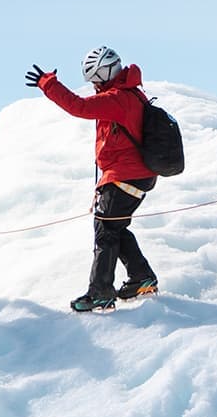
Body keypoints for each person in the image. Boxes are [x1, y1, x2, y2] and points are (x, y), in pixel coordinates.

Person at [26, 47, 160, 312]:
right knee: (114, 228)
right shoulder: (131, 94)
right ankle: (141, 278)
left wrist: (49, 85)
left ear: (107, 73)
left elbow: (79, 107)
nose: (95, 85)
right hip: (135, 174)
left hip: (125, 175)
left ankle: (100, 293)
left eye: (96, 79)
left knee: (105, 232)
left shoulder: (119, 98)